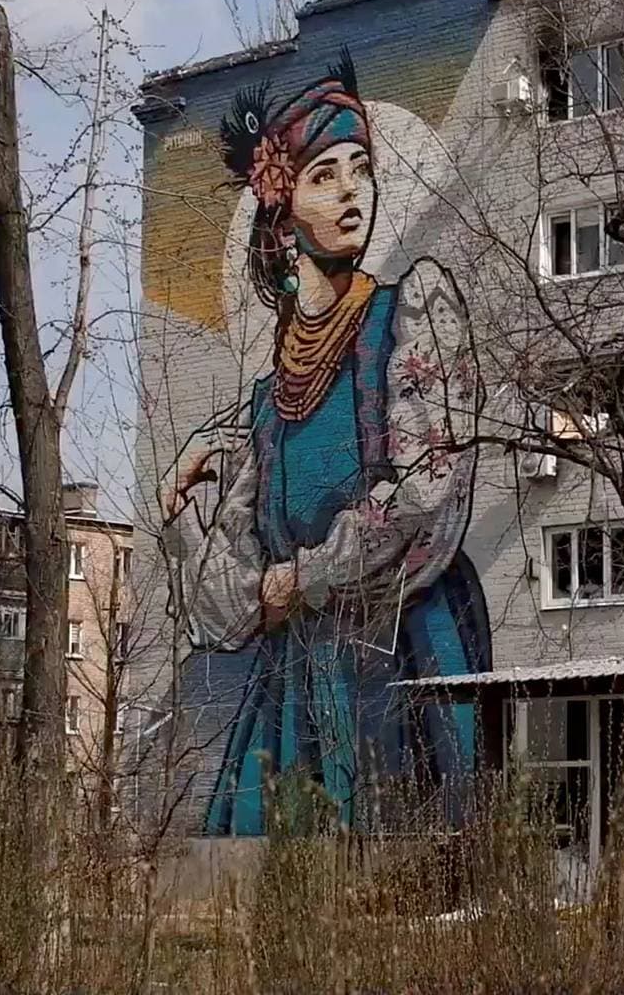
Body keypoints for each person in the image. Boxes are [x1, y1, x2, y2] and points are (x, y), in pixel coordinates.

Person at [161, 56, 490, 835]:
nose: (352, 191)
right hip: (299, 683)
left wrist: (301, 576)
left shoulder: (411, 315)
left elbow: (424, 490)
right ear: (281, 214)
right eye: (325, 175)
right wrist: (178, 512)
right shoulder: (262, 410)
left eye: (362, 170)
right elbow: (231, 608)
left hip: (404, 650)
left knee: (411, 857)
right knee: (270, 867)